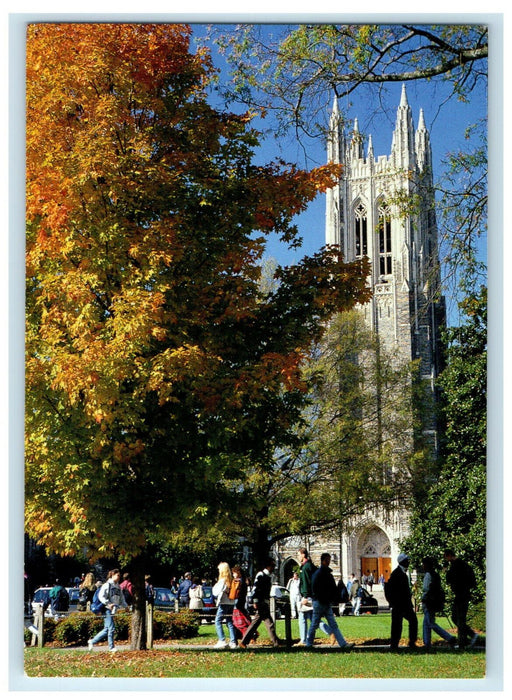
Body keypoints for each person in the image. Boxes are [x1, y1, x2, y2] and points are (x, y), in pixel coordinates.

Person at [305, 553, 354, 651]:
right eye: (327, 560)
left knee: (332, 623)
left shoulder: (323, 573)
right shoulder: (320, 574)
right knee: (315, 624)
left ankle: (343, 644)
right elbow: (316, 588)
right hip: (319, 602)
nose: (329, 562)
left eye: (329, 560)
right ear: (323, 560)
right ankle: (308, 644)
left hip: (325, 602)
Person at [240, 557, 280, 648]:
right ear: (268, 566)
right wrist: (255, 601)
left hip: (263, 602)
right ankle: (276, 642)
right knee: (268, 623)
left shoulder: (267, 576)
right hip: (261, 602)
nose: (274, 568)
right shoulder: (261, 575)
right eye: (272, 565)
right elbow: (255, 589)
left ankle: (244, 641)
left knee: (258, 623)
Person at [443, 549, 479, 649]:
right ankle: (468, 636)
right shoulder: (464, 565)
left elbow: (449, 579)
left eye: (446, 556)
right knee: (458, 618)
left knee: (458, 618)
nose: (446, 559)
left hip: (460, 594)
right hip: (465, 594)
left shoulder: (455, 566)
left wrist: (446, 571)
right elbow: (472, 579)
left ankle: (463, 642)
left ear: (449, 555)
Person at [88, 569, 129, 652]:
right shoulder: (107, 585)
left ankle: (92, 641)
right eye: (117, 575)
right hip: (106, 609)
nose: (119, 577)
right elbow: (101, 596)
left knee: (107, 629)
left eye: (119, 576)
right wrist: (108, 603)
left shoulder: (118, 586)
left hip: (113, 609)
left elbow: (121, 598)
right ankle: (111, 647)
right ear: (112, 575)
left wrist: (125, 606)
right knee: (111, 628)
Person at [421, 557, 457, 650]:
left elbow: (427, 589)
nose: (423, 566)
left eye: (424, 564)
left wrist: (424, 599)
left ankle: (449, 637)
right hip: (433, 602)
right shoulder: (435, 574)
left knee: (430, 623)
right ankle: (427, 643)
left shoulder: (429, 575)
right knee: (426, 623)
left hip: (429, 602)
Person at [384, 553, 418, 650]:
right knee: (397, 625)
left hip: (404, 604)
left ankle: (410, 642)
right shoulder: (396, 574)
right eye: (407, 560)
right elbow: (394, 590)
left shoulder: (401, 573)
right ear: (402, 562)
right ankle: (395, 644)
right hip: (400, 604)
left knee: (407, 622)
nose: (408, 562)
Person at [212, 562, 238, 649]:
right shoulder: (231, 579)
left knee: (217, 621)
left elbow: (216, 592)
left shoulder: (222, 580)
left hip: (223, 602)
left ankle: (222, 640)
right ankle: (233, 641)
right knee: (230, 621)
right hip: (231, 602)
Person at [231, 565, 254, 641]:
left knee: (239, 623)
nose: (233, 575)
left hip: (237, 603)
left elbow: (235, 593)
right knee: (244, 621)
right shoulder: (243, 580)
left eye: (234, 573)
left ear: (238, 573)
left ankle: (245, 637)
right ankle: (247, 635)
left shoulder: (237, 582)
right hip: (242, 602)